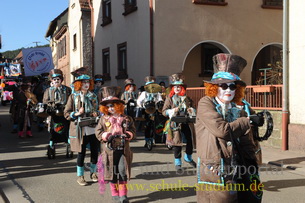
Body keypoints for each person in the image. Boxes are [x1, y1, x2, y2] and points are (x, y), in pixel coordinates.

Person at [195, 53, 263, 202]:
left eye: (232, 86)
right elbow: (222, 130)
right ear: (214, 87)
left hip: (239, 166)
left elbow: (245, 140)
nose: (228, 90)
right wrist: (247, 121)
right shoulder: (206, 103)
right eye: (223, 85)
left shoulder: (239, 109)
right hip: (216, 167)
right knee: (222, 198)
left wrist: (252, 164)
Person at [95, 86, 136, 203]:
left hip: (123, 149)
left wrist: (128, 134)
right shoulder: (103, 119)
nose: (110, 108)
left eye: (112, 105)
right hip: (109, 151)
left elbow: (133, 130)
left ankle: (123, 195)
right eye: (107, 106)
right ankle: (115, 193)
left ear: (118, 105)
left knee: (122, 172)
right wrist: (106, 136)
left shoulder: (126, 118)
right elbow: (98, 132)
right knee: (112, 172)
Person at [64, 74, 100, 186]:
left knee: (95, 151)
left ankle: (93, 172)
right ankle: (80, 176)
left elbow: (100, 110)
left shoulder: (93, 96)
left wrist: (97, 113)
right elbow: (66, 113)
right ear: (79, 84)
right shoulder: (73, 96)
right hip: (80, 129)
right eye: (84, 82)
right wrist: (77, 113)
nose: (86, 84)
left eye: (88, 82)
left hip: (93, 128)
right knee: (81, 153)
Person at [162, 73, 196, 172]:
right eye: (175, 86)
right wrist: (172, 111)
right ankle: (178, 163)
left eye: (179, 86)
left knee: (190, 141)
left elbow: (193, 108)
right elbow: (164, 111)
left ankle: (188, 158)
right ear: (172, 88)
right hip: (175, 124)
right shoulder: (169, 98)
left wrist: (191, 110)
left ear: (182, 88)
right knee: (177, 144)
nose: (177, 88)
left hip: (187, 123)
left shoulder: (187, 98)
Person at [43, 69, 72, 158]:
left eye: (58, 79)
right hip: (53, 114)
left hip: (64, 113)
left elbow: (71, 100)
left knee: (66, 130)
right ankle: (51, 144)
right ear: (52, 80)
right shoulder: (48, 90)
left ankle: (68, 144)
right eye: (54, 79)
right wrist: (52, 105)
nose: (56, 81)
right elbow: (45, 101)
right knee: (53, 131)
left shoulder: (67, 89)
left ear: (61, 80)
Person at [137, 76, 163, 147]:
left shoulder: (157, 93)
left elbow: (160, 100)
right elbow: (139, 101)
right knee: (147, 126)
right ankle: (147, 140)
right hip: (146, 111)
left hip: (154, 111)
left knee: (154, 125)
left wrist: (159, 105)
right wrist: (142, 106)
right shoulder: (144, 93)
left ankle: (152, 139)